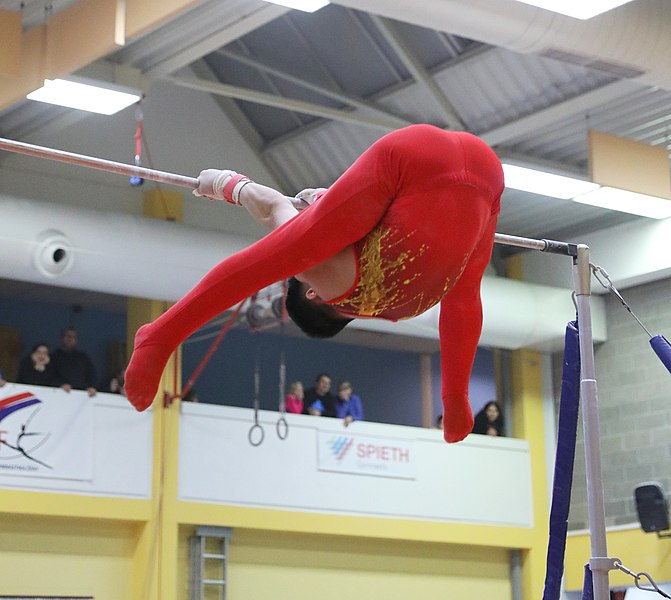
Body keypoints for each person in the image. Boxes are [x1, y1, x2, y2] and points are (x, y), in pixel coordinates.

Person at [125, 124, 503, 443]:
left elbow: (463, 303)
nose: (302, 273)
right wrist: (229, 185)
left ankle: (160, 336)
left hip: (488, 174)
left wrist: (456, 400)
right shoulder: (338, 283)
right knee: (284, 253)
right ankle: (159, 335)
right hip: (418, 159)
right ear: (313, 295)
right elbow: (273, 211)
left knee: (463, 285)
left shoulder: (400, 305)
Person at [52, 327, 98, 397]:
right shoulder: (53, 356)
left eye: (73, 337)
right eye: (67, 336)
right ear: (62, 338)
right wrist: (60, 384)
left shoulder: (83, 357)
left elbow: (92, 375)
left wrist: (92, 387)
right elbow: (49, 376)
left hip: (82, 396)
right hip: (59, 395)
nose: (70, 339)